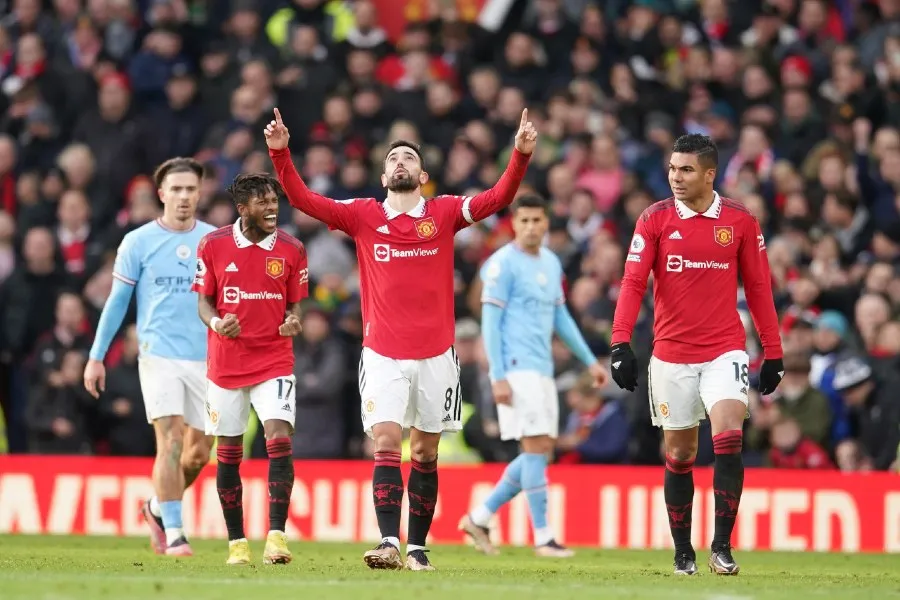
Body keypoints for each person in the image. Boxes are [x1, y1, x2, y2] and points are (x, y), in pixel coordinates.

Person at [265, 106, 536, 571]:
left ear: (423, 175)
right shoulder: (363, 215)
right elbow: (303, 199)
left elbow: (498, 197)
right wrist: (280, 153)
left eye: (409, 157)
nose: (400, 163)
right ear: (383, 175)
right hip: (382, 353)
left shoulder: (444, 212)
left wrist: (521, 155)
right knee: (387, 441)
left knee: (426, 452)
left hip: (437, 355)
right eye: (393, 159)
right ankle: (389, 542)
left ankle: (417, 547)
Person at [609, 134, 784, 576]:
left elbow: (758, 287)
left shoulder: (740, 220)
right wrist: (620, 342)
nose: (676, 177)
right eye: (672, 168)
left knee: (729, 437)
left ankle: (721, 547)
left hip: (725, 348)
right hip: (671, 354)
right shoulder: (655, 218)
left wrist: (773, 351)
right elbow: (632, 283)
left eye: (686, 169)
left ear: (710, 174)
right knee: (681, 454)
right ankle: (682, 551)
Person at [458, 194, 608, 557]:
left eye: (536, 220)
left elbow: (561, 318)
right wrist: (497, 376)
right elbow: (490, 323)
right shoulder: (501, 264)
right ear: (514, 223)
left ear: (546, 223)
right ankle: (543, 537)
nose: (530, 227)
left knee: (539, 450)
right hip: (515, 367)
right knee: (536, 448)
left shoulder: (551, 263)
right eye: (523, 220)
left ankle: (480, 517)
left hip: (542, 369)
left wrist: (589, 360)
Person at [83, 157, 215, 557]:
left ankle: (156, 507)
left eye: (190, 189)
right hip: (158, 355)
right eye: (176, 189)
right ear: (161, 194)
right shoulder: (137, 241)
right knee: (170, 441)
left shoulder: (215, 240)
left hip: (209, 359)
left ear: (200, 193)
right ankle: (175, 533)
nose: (184, 196)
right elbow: (117, 301)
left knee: (198, 454)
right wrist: (96, 356)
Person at [191, 173, 309, 566]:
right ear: (242, 208)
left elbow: (295, 304)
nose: (272, 207)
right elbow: (203, 302)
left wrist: (293, 320)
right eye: (263, 202)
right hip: (227, 362)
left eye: (274, 200)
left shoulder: (292, 248)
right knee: (228, 452)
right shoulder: (213, 244)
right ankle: (237, 543)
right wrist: (216, 323)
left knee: (279, 436)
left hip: (274, 358)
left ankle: (276, 537)